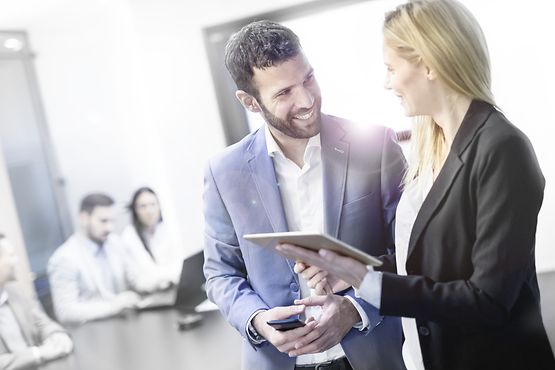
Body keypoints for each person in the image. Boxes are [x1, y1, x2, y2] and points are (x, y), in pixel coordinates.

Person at [276, 1, 555, 369]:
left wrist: (367, 280)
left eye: (391, 68)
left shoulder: (502, 148)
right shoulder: (434, 144)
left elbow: (488, 299)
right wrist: (350, 270)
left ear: (428, 64)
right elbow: (429, 260)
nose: (386, 82)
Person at [203, 20, 407, 370]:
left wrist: (357, 307)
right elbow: (221, 274)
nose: (307, 99)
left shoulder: (376, 145)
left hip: (374, 353)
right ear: (250, 102)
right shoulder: (224, 172)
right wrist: (258, 321)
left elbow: (410, 252)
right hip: (278, 361)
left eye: (308, 78)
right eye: (284, 93)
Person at [48, 193, 168, 325]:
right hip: (93, 332)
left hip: (124, 324)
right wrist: (112, 306)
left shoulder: (114, 243)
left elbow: (135, 278)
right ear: (83, 218)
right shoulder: (64, 259)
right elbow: (66, 312)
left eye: (112, 221)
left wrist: (158, 283)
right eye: (103, 221)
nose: (110, 228)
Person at [0, 233, 73, 370]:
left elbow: (42, 322)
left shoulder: (14, 291)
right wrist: (37, 353)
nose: (16, 260)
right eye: (11, 255)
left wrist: (56, 335)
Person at [121, 187, 185, 285]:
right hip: (150, 293)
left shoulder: (166, 228)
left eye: (153, 204)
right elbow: (147, 273)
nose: (149, 211)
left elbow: (180, 262)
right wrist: (171, 276)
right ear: (135, 210)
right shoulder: (129, 236)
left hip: (174, 286)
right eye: (143, 206)